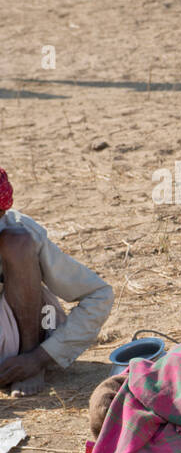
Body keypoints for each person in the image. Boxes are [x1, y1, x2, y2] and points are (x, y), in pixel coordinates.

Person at [0, 167, 114, 396]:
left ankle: (28, 362)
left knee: (18, 244)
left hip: (25, 334)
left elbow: (99, 296)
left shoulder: (20, 229)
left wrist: (39, 357)